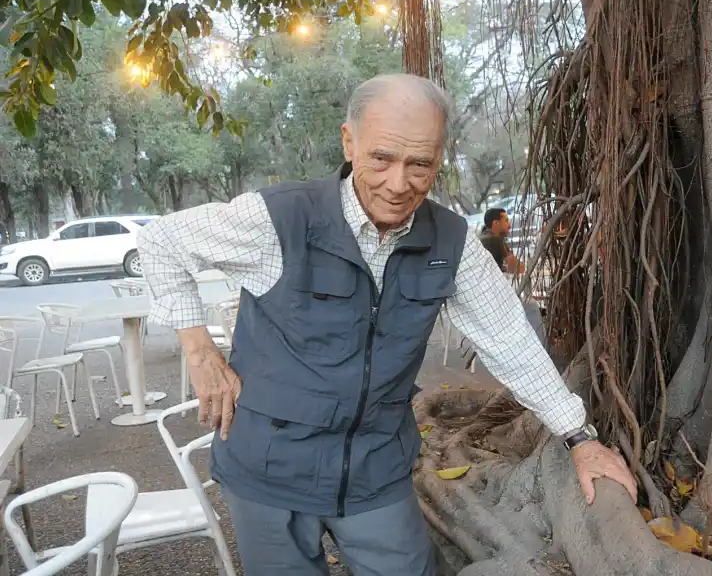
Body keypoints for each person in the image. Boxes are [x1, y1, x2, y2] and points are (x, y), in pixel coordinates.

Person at [137, 73, 637, 576]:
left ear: (439, 158)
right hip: (268, 469)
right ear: (349, 142)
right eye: (382, 158)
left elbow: (511, 341)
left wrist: (580, 438)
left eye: (420, 164)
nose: (399, 184)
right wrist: (200, 351)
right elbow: (161, 243)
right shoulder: (281, 218)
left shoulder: (452, 244)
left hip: (376, 470)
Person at [478, 207, 522, 273]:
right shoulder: (494, 239)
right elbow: (518, 269)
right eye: (506, 221)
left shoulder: (484, 235)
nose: (509, 226)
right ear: (495, 223)